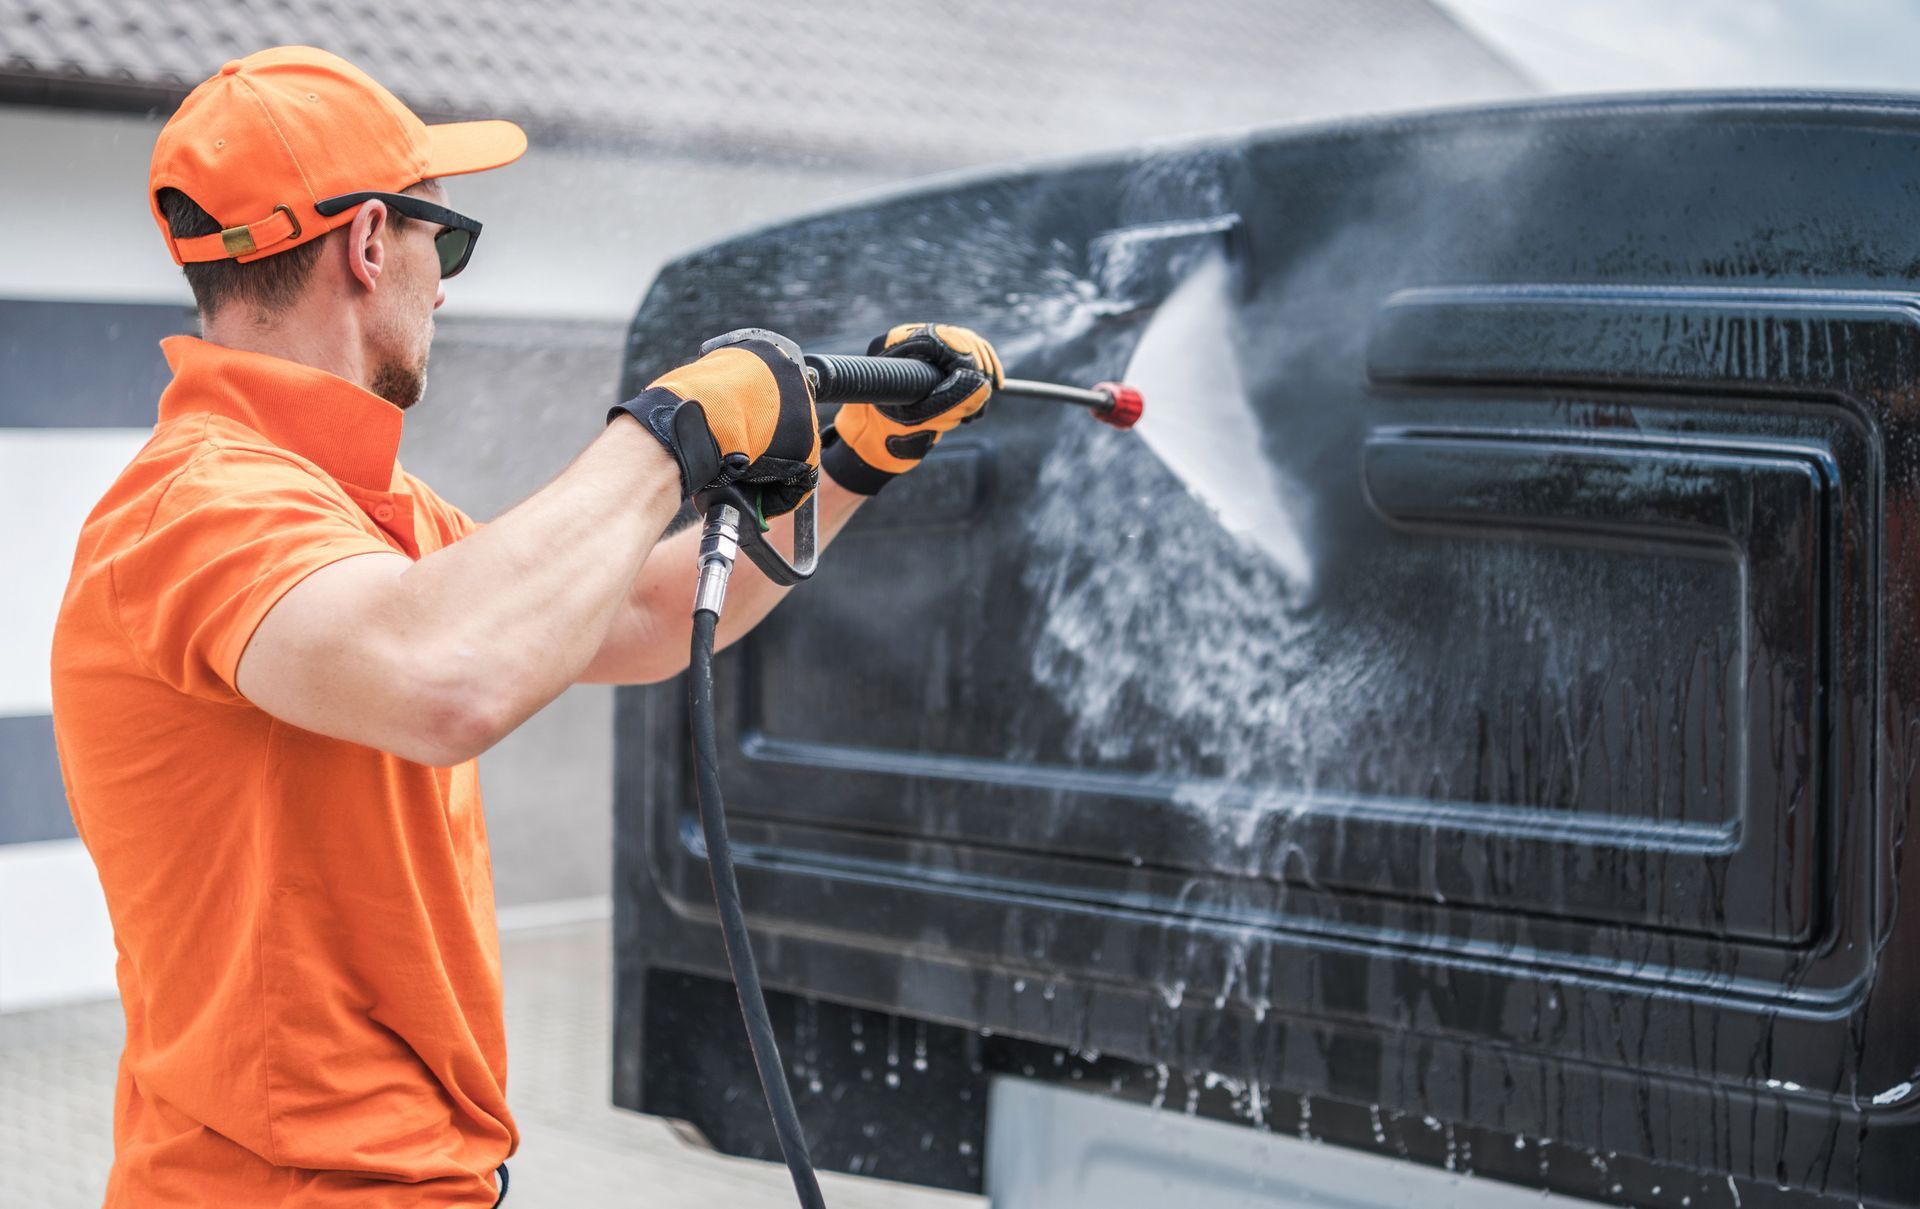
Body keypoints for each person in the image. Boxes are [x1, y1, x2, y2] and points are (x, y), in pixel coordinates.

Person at [48, 45, 1001, 1208]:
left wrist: (857, 462)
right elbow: (448, 683)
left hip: (403, 1176)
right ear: (365, 245)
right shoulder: (198, 507)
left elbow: (649, 617)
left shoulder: (361, 512)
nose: (443, 284)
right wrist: (668, 435)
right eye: (442, 241)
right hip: (291, 1188)